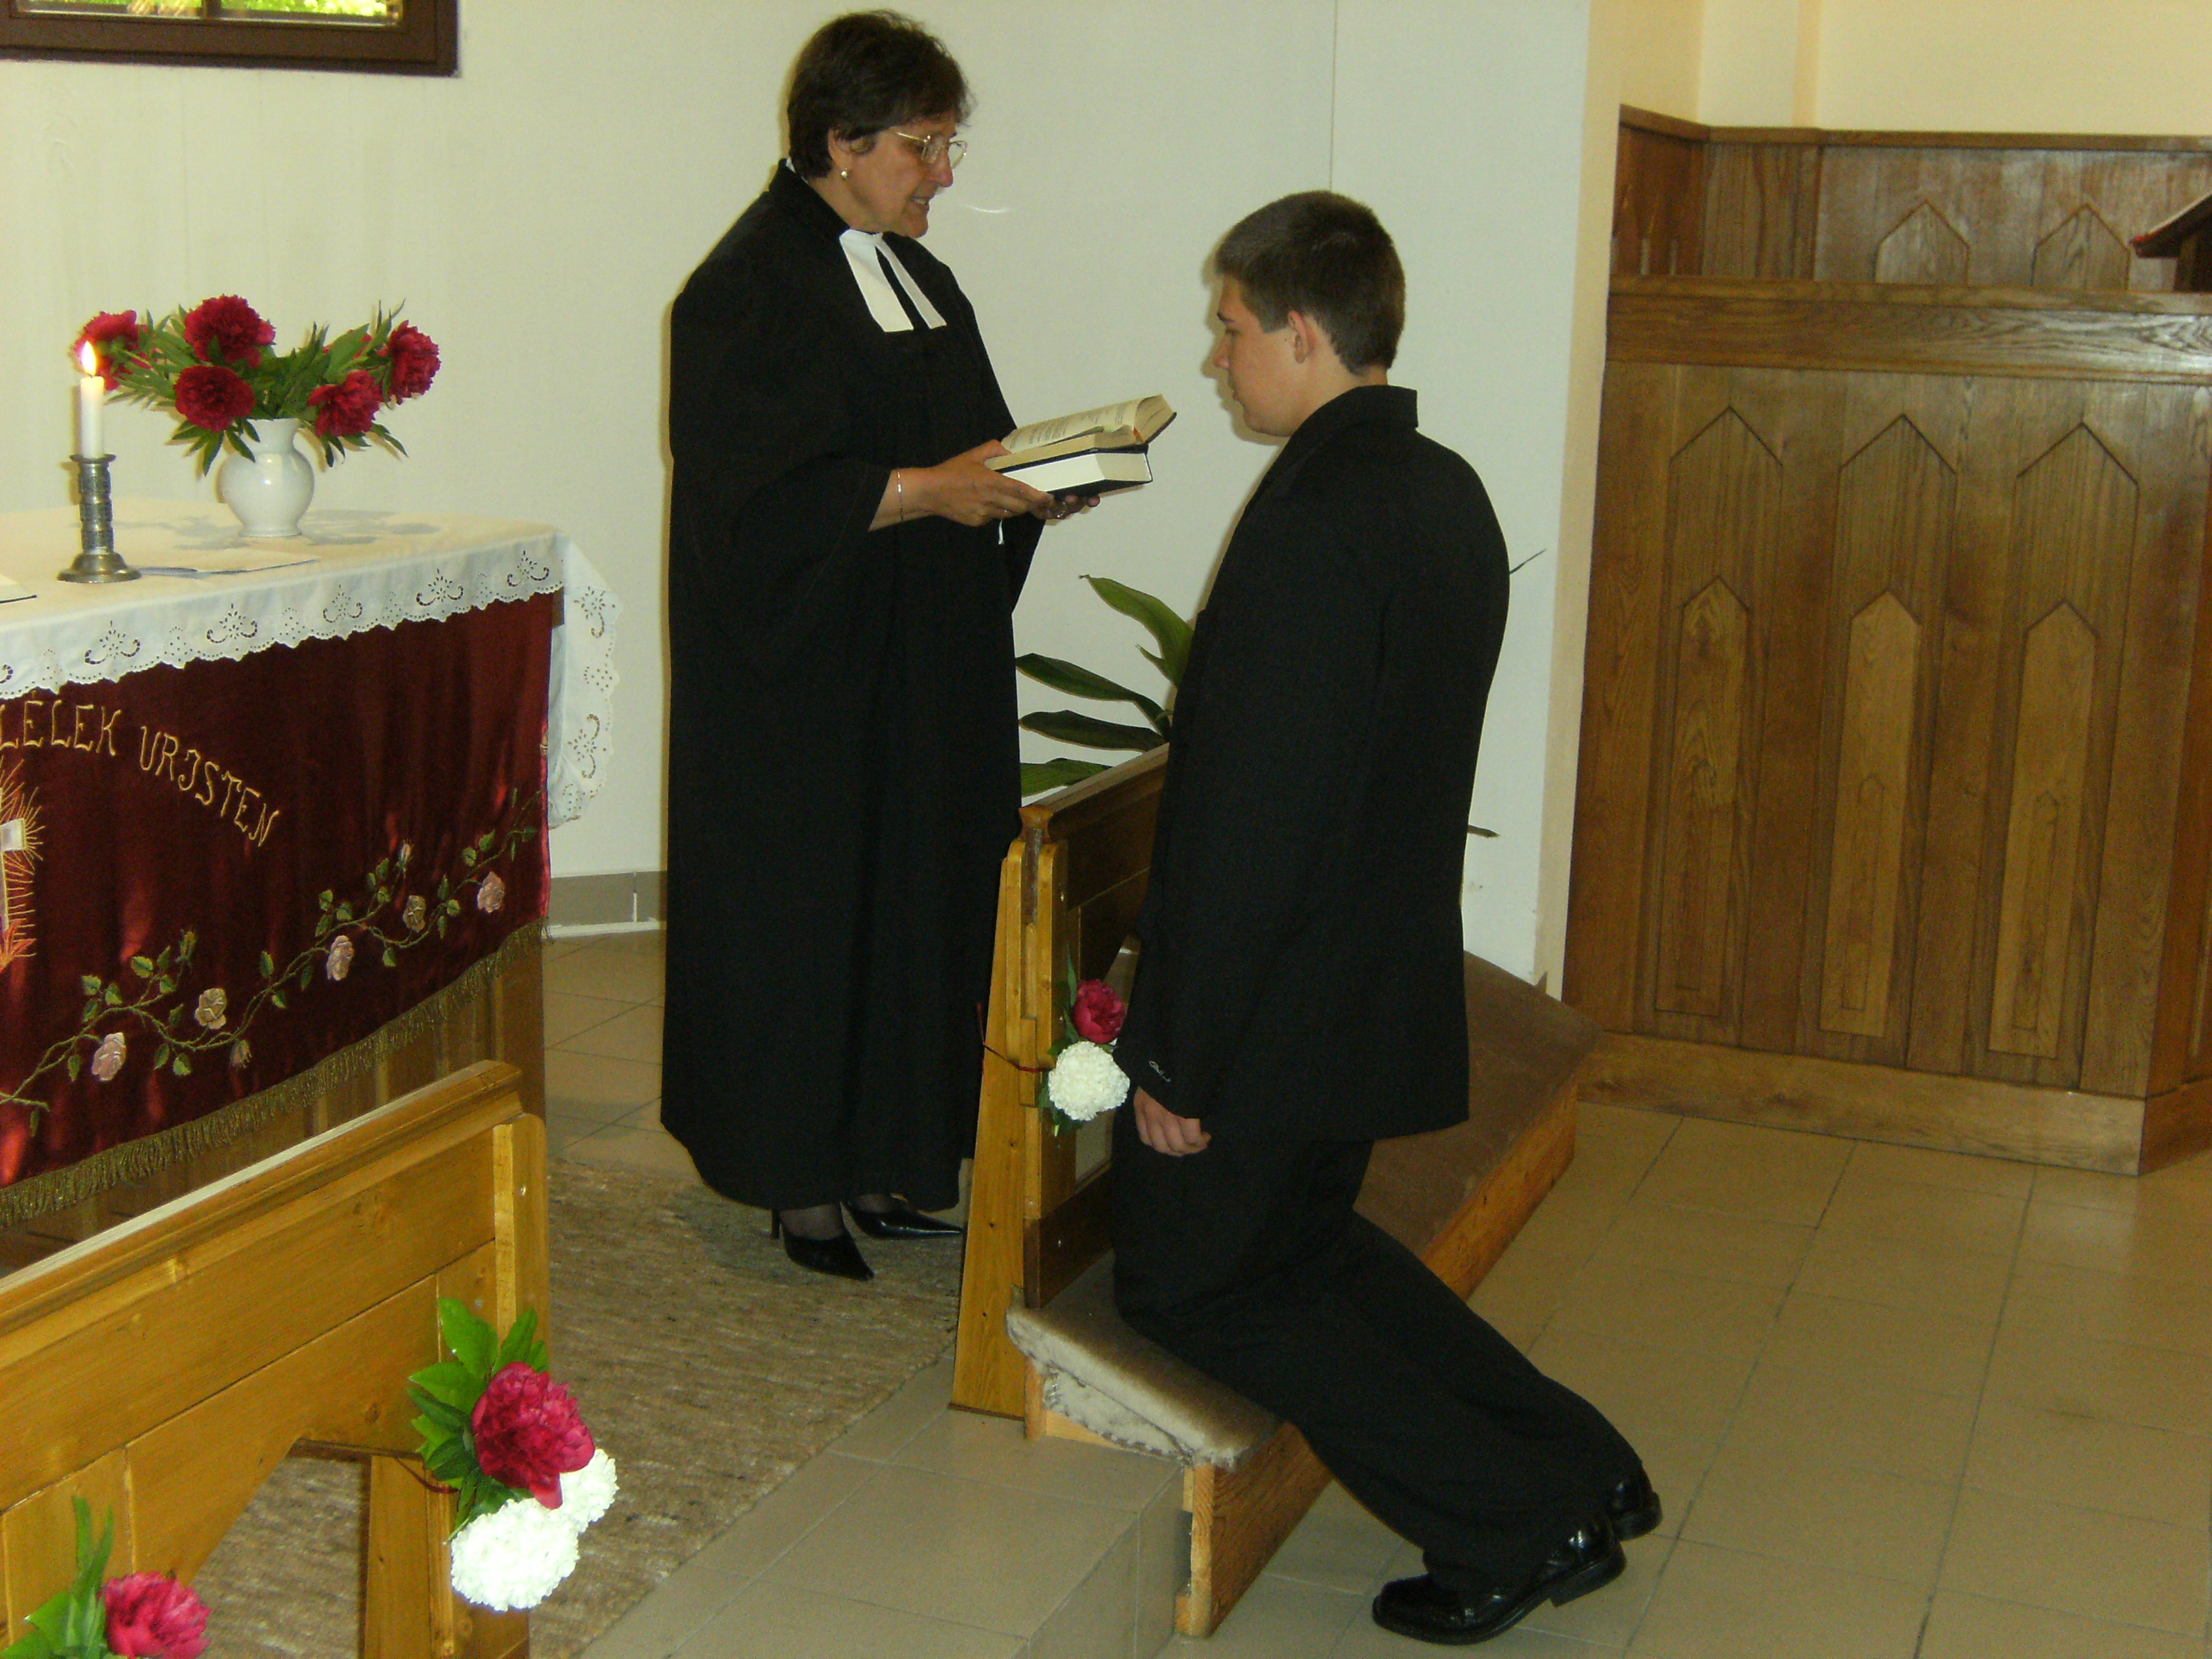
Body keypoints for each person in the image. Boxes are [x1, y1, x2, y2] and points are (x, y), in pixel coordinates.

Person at [1108, 192, 1656, 1645]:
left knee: (1195, 1283)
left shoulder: (1316, 519)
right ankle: (1579, 1465)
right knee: (1305, 1252)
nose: (1218, 357)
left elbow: (1254, 822)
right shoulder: (1440, 489)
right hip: (1365, 979)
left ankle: (1514, 1517)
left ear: (1302, 333)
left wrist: (1178, 1054)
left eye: (1232, 327)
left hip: (1279, 1001)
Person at [662, 11, 1080, 1282]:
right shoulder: (743, 287)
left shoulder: (919, 278)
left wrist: (1034, 480)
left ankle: (891, 1158)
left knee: (916, 903)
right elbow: (751, 500)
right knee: (812, 917)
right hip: (805, 683)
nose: (941, 172)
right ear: (841, 142)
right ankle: (799, 1180)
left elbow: (967, 440)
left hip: (921, 669)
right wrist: (926, 491)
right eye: (922, 146)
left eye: (949, 145)